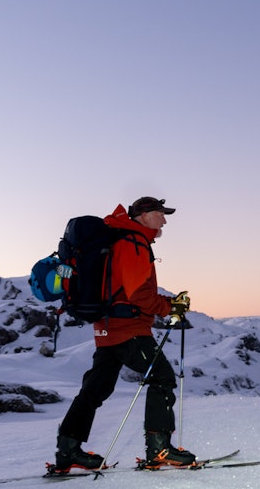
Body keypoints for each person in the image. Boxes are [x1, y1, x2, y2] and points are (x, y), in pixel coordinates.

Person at [53, 196, 196, 472]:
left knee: (94, 390)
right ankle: (159, 449)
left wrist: (167, 303)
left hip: (106, 327)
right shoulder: (133, 242)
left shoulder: (119, 239)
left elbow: (123, 287)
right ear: (144, 215)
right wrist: (169, 307)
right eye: (160, 214)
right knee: (162, 378)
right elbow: (137, 293)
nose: (164, 221)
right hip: (128, 328)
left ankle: (68, 451)